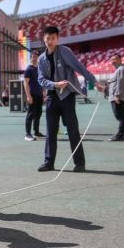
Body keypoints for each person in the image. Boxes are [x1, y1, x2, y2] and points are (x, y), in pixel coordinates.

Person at [37, 25, 105, 172]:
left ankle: (79, 163)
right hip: (52, 97)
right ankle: (49, 162)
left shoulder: (64, 51)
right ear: (44, 39)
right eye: (48, 38)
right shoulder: (41, 59)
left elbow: (79, 67)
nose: (50, 41)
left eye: (53, 38)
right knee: (50, 131)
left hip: (67, 96)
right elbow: (41, 80)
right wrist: (55, 84)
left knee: (73, 130)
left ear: (57, 39)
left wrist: (94, 82)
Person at [107, 53, 124, 141]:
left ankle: (120, 135)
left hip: (118, 97)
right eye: (111, 60)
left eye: (115, 59)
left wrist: (117, 95)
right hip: (121, 97)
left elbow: (120, 82)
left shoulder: (121, 69)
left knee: (121, 117)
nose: (112, 61)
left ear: (120, 60)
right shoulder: (121, 69)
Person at [23, 51, 45, 141]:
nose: (34, 58)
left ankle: (36, 132)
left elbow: (42, 81)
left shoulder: (40, 68)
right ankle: (28, 134)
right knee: (30, 114)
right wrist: (28, 96)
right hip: (32, 95)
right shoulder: (29, 69)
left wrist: (43, 92)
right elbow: (26, 83)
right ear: (31, 58)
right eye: (33, 57)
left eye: (36, 57)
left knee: (38, 113)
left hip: (39, 94)